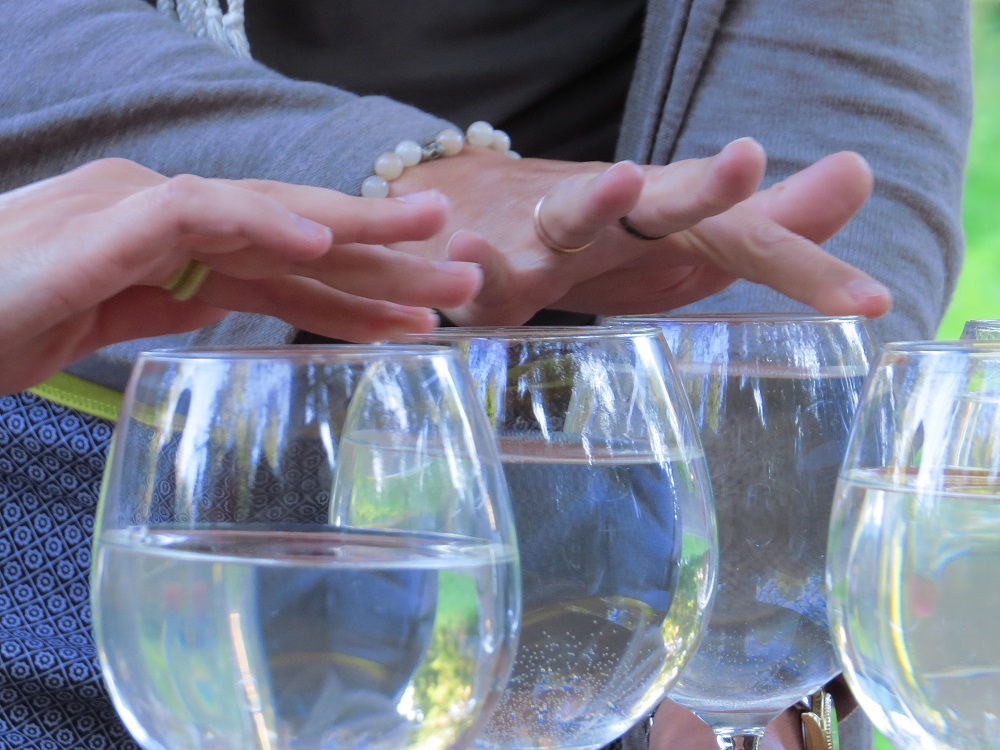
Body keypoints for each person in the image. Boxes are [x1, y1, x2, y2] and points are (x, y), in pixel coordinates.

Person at [0, 0, 972, 748]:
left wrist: (733, 651)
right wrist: (422, 186)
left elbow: (813, 155)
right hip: (103, 496)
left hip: (604, 536)